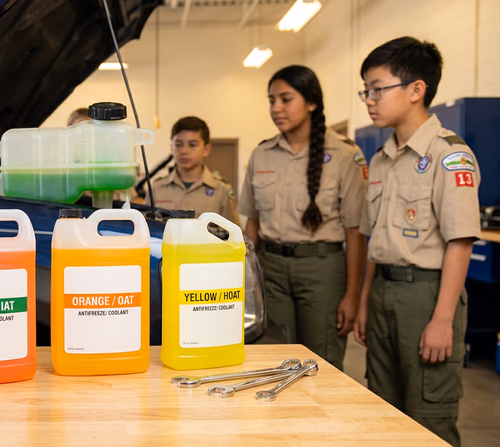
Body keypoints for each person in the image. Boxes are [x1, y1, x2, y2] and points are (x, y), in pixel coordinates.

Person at [353, 37, 479, 447]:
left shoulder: (449, 155)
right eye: (365, 91)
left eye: (377, 89)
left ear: (416, 89)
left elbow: (459, 243)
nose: (369, 100)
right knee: (383, 413)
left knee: (429, 419)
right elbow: (377, 239)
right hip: (384, 293)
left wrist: (442, 321)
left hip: (426, 295)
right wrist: (365, 301)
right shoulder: (382, 158)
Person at [238, 66, 367, 371]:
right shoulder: (262, 154)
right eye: (272, 100)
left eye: (286, 99)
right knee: (274, 356)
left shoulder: (344, 155)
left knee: (322, 361)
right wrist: (243, 280)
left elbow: (355, 233)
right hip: (271, 268)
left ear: (311, 102)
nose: (276, 108)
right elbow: (251, 226)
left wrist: (352, 295)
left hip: (322, 270)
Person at [144, 116, 239, 225]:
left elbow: (233, 234)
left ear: (206, 149)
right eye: (178, 145)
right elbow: (147, 229)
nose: (184, 151)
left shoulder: (221, 190)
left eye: (192, 145)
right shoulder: (157, 188)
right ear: (171, 148)